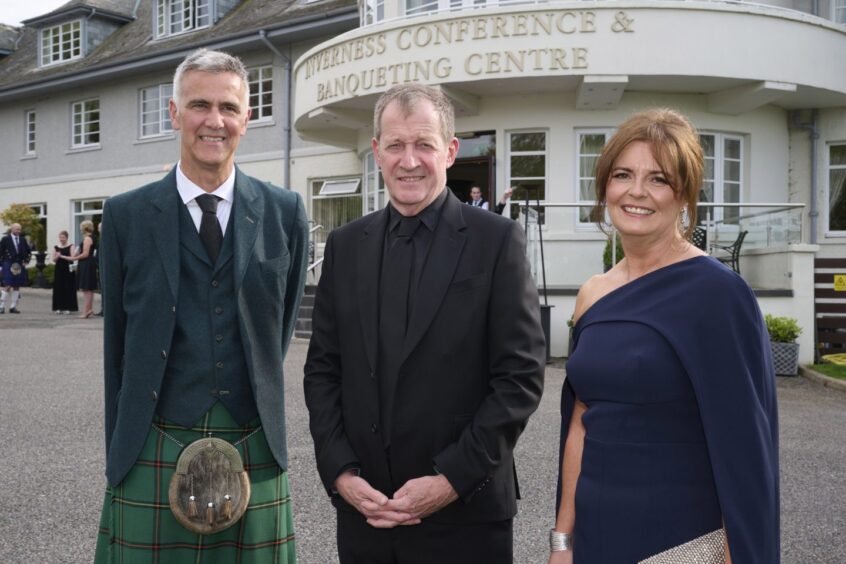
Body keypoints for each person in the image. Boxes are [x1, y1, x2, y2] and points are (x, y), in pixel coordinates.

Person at [304, 83, 545, 564]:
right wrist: (341, 473)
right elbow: (323, 371)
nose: (408, 160)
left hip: (465, 516)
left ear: (450, 151)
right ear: (376, 152)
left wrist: (451, 479)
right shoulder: (347, 246)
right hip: (366, 516)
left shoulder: (496, 241)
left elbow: (519, 377)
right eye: (394, 145)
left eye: (424, 145)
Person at [93, 48, 308, 563]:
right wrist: (120, 451)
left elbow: (277, 330)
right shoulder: (125, 216)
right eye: (199, 106)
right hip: (154, 436)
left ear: (246, 118)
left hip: (253, 434)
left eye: (229, 108)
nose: (215, 121)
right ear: (174, 113)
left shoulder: (285, 212)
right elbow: (116, 346)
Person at [550, 109, 779, 563]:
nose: (637, 191)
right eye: (623, 174)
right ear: (604, 188)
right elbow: (580, 421)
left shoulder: (717, 294)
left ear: (685, 196)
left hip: (682, 544)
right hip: (596, 535)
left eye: (658, 179)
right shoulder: (592, 294)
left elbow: (746, 450)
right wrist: (563, 541)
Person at [61, 220, 97, 318]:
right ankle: (89, 309)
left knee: (86, 288)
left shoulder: (87, 239)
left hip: (86, 264)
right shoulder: (92, 237)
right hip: (89, 264)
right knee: (89, 288)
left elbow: (85, 254)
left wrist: (73, 258)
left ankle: (86, 311)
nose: (80, 229)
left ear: (84, 228)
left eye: (81, 227)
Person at [0, 223, 32, 314]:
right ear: (12, 229)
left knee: (17, 285)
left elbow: (28, 252)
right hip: (8, 263)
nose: (18, 231)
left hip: (19, 264)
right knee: (7, 285)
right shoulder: (5, 239)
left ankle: (13, 307)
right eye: (17, 229)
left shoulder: (22, 240)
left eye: (19, 229)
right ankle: (1, 306)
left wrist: (26, 261)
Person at [51, 230, 78, 314]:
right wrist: (57, 257)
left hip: (68, 269)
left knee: (68, 287)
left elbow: (72, 257)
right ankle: (58, 307)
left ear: (67, 238)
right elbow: (54, 260)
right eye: (60, 237)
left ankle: (68, 307)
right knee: (59, 287)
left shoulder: (71, 246)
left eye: (63, 238)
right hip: (59, 269)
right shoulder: (56, 247)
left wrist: (62, 256)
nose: (61, 239)